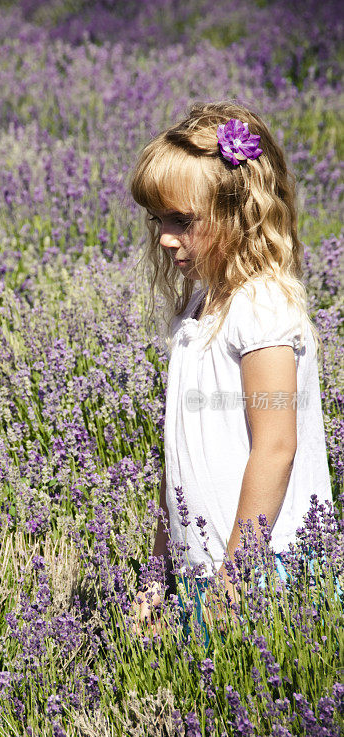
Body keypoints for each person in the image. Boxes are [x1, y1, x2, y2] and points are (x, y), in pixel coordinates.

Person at [128, 101, 336, 642]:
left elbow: (276, 445)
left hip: (265, 576)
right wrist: (157, 576)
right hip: (206, 570)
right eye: (159, 220)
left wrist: (235, 581)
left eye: (182, 221)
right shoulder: (201, 308)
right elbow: (180, 458)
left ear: (237, 213)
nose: (166, 237)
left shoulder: (261, 305)